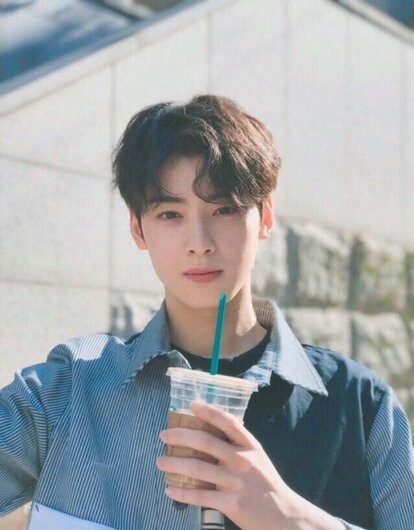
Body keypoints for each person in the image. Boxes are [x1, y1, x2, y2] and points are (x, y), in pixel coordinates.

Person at [0, 95, 413, 530]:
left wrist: (291, 518)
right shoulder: (69, 391)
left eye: (224, 209)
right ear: (138, 227)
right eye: (170, 214)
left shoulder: (360, 406)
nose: (199, 242)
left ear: (265, 216)